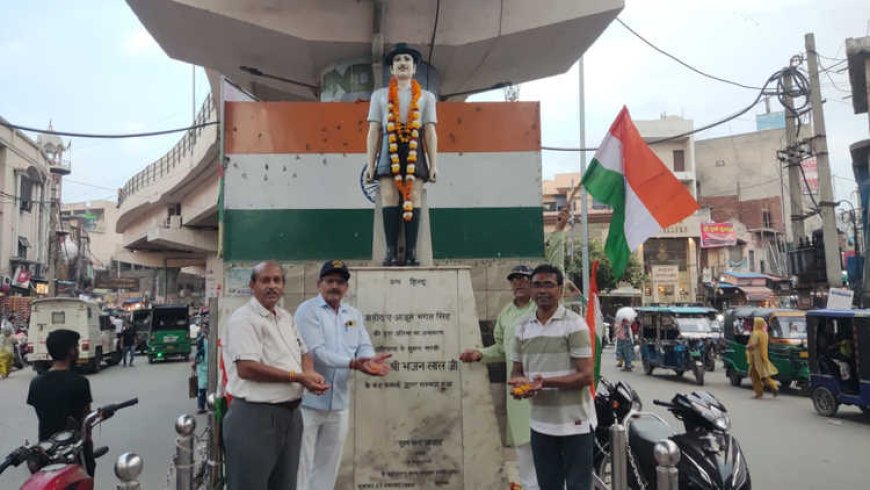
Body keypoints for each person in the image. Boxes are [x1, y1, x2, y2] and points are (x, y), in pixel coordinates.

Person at [458, 208, 570, 490]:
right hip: (520, 397)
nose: (518, 283)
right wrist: (480, 354)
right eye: (514, 280)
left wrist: (558, 233)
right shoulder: (507, 314)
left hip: (548, 391)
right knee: (525, 454)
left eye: (523, 279)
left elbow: (556, 268)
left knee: (552, 457)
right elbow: (501, 348)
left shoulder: (544, 306)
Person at [222, 261, 330, 490]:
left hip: (289, 416)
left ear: (283, 286)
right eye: (265, 280)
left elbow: (304, 351)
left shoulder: (284, 317)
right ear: (253, 284)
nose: (272, 286)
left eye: (277, 280)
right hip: (255, 418)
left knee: (284, 485)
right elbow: (247, 368)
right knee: (250, 485)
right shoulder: (244, 319)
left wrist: (309, 373)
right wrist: (298, 377)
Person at [295, 260, 392, 490]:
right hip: (308, 403)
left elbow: (363, 345)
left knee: (328, 467)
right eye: (329, 281)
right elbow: (317, 353)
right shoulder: (307, 311)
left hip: (338, 403)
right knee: (302, 465)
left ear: (346, 287)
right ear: (319, 284)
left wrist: (368, 361)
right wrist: (353, 363)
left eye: (340, 282)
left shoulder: (353, 314)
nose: (334, 286)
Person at [510, 264, 596, 490]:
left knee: (578, 486)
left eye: (548, 285)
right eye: (537, 285)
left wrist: (544, 383)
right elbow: (517, 371)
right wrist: (519, 385)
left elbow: (586, 376)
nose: (542, 291)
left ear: (560, 290)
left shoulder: (575, 324)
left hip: (575, 424)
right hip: (540, 425)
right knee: (548, 486)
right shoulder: (521, 327)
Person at [366, 43, 438, 266]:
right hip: (390, 143)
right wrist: (371, 164)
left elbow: (429, 130)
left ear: (414, 67)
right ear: (391, 69)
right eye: (397, 60)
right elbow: (374, 130)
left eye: (407, 59)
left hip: (415, 144)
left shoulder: (426, 96)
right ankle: (389, 251)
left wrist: (433, 164)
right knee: (389, 195)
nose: (402, 63)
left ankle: (411, 252)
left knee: (413, 196)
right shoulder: (379, 95)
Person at [26, 329, 95, 474]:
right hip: (75, 451)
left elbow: (41, 415)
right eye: (76, 346)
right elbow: (85, 419)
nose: (78, 350)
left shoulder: (36, 383)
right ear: (70, 351)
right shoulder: (80, 382)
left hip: (46, 451)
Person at [746, 317, 779, 399]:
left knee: (754, 375)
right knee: (763, 375)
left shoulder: (756, 333)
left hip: (755, 358)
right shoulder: (765, 333)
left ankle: (760, 392)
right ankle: (773, 386)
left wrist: (748, 347)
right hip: (763, 356)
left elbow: (753, 344)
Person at [193, 323, 209, 413]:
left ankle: (211, 403)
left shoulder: (214, 339)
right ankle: (201, 406)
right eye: (203, 327)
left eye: (206, 327)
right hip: (202, 366)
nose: (204, 329)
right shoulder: (200, 339)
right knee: (202, 387)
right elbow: (198, 353)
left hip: (212, 366)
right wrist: (194, 364)